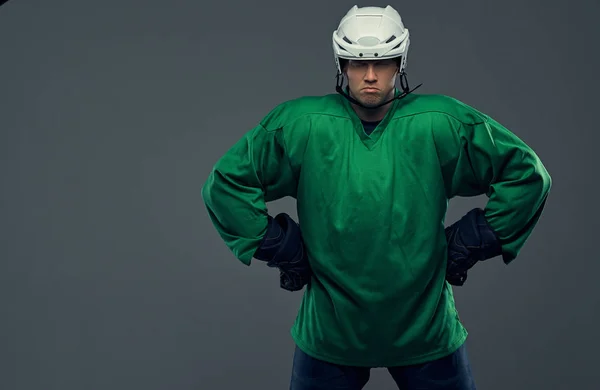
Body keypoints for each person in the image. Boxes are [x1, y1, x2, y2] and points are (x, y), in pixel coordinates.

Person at [201, 4, 551, 390]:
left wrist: (472, 240)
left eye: (382, 63)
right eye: (356, 63)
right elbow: (226, 186)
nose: (370, 76)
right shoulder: (301, 124)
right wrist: (284, 248)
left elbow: (527, 175)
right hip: (330, 334)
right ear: (341, 64)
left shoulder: (441, 121)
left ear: (400, 63)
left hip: (426, 331)